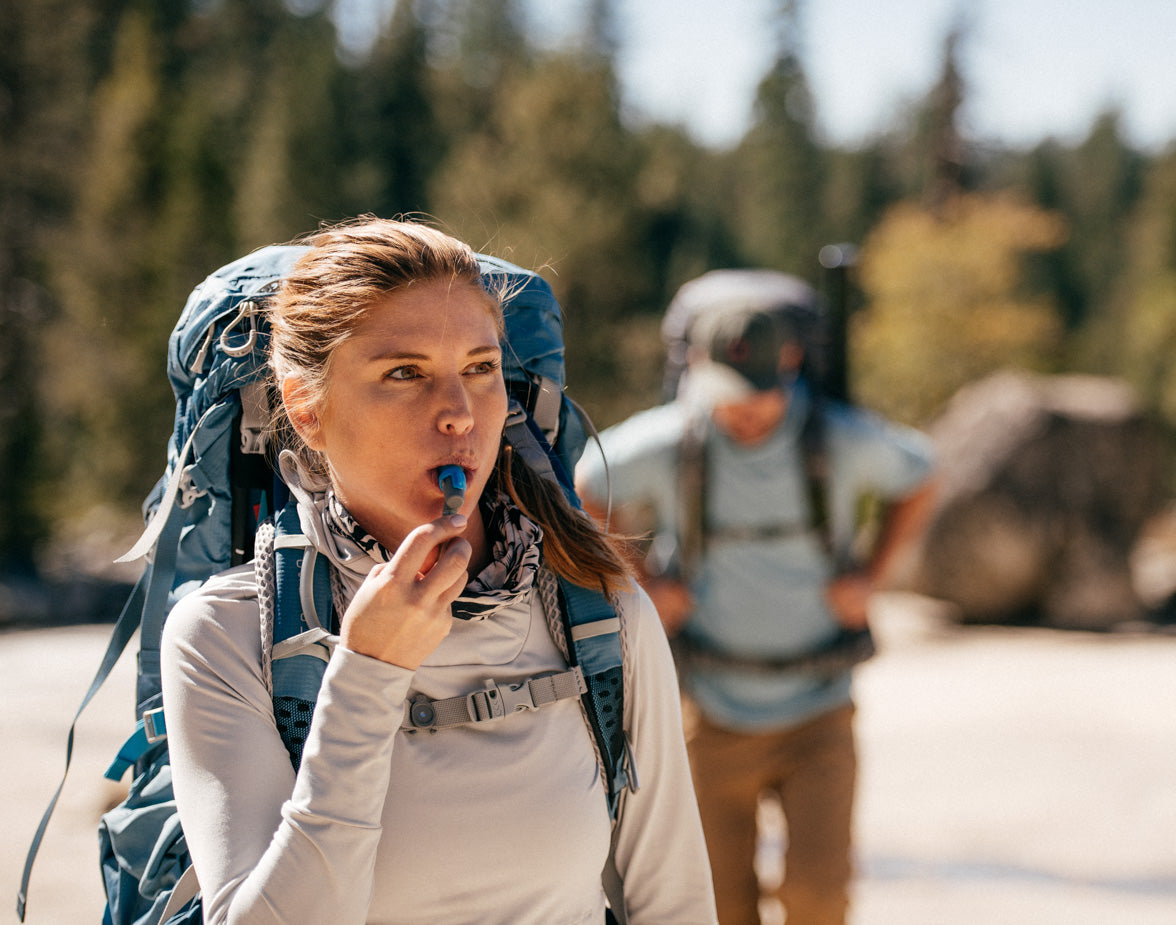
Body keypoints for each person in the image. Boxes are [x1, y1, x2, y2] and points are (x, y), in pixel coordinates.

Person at [159, 217, 718, 924]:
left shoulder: (601, 613)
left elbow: (676, 905)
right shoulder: (229, 632)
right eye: (404, 373)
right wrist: (367, 671)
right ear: (307, 410)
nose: (459, 413)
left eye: (481, 369)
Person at [574, 272, 939, 925]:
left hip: (820, 711)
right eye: (728, 395)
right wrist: (645, 584)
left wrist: (871, 576)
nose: (744, 409)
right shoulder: (673, 441)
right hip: (708, 712)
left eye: (760, 394)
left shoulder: (838, 437)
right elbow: (588, 482)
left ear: (792, 367)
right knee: (719, 904)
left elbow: (922, 474)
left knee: (820, 897)